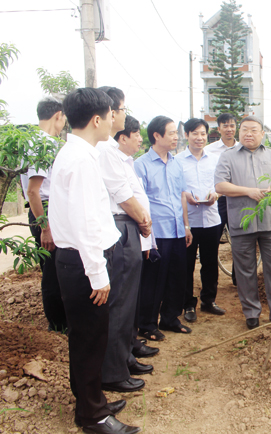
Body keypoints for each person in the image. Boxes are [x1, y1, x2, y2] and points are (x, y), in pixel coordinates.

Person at [49, 87, 141, 433]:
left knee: (89, 338)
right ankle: (93, 417)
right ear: (98, 119)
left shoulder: (77, 153)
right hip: (84, 262)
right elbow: (86, 224)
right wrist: (98, 275)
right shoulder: (81, 161)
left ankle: (93, 402)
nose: (117, 120)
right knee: (89, 341)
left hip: (78, 260)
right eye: (112, 114)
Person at [96, 87, 154, 394]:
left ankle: (124, 358)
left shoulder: (114, 152)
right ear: (107, 112)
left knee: (127, 303)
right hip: (121, 227)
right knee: (119, 305)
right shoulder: (105, 150)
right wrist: (144, 221)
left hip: (128, 227)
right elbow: (123, 196)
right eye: (118, 109)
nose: (120, 114)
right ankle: (113, 372)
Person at [215, 116, 271, 330]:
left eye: (254, 130)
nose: (249, 133)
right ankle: (251, 313)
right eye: (244, 129)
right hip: (241, 222)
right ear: (239, 133)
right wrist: (249, 191)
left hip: (270, 221)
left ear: (262, 134)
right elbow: (220, 186)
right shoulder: (228, 157)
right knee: (245, 270)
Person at [134, 116, 194, 341]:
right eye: (171, 133)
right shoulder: (141, 165)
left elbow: (181, 196)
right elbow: (138, 201)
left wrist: (186, 226)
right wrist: (145, 235)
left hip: (178, 230)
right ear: (156, 136)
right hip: (156, 234)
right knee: (153, 280)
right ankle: (147, 324)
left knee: (177, 277)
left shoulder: (177, 163)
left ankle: (170, 318)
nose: (176, 137)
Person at [112, 116, 161, 362]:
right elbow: (125, 198)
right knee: (125, 297)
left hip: (138, 232)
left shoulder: (126, 162)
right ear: (122, 137)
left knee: (133, 294)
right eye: (136, 134)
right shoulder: (112, 159)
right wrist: (144, 222)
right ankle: (125, 351)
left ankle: (131, 342)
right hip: (129, 229)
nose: (140, 138)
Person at [20, 96, 67, 333]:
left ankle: (59, 319)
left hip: (47, 211)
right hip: (44, 212)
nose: (64, 125)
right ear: (58, 115)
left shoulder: (35, 141)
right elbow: (33, 191)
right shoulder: (42, 144)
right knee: (51, 271)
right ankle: (57, 323)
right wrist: (45, 227)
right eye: (64, 118)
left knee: (54, 268)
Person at [177, 118, 226, 322]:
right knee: (187, 264)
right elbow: (175, 189)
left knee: (209, 261)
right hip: (188, 221)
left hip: (211, 218)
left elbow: (221, 185)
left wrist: (216, 195)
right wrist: (186, 195)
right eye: (195, 133)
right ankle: (188, 304)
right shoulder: (177, 161)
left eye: (203, 134)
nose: (199, 138)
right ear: (187, 135)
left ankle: (208, 300)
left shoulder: (215, 159)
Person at [204, 113, 239, 285]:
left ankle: (238, 279)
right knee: (212, 241)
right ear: (219, 129)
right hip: (217, 200)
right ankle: (212, 283)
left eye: (232, 125)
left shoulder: (243, 148)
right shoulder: (209, 150)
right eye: (225, 125)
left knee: (240, 240)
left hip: (238, 199)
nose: (229, 129)